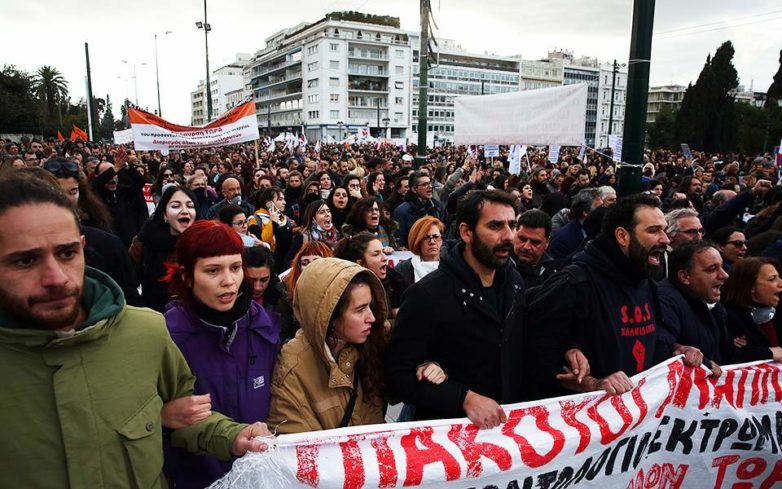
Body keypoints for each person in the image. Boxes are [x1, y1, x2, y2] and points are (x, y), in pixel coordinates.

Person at [0, 175, 269, 488]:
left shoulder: (145, 331)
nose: (56, 277)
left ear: (83, 247)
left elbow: (189, 416)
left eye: (66, 253)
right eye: (26, 260)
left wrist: (234, 435)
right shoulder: (172, 325)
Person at [527, 194, 693, 398]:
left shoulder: (646, 283)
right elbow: (535, 353)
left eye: (664, 231)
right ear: (623, 236)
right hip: (587, 421)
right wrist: (593, 383)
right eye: (653, 231)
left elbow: (651, 341)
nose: (665, 240)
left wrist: (676, 350)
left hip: (636, 418)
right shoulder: (574, 283)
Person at [385, 189, 526, 428]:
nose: (509, 236)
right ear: (466, 232)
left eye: (512, 225)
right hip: (448, 440)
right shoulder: (427, 295)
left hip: (505, 435)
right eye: (495, 226)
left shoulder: (514, 283)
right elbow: (397, 377)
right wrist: (463, 397)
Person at [162, 220, 280, 488]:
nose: (229, 281)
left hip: (259, 475)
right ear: (186, 276)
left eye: (236, 268)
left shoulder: (265, 327)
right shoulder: (166, 337)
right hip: (195, 478)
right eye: (213, 270)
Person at [267, 258, 388, 433]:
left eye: (370, 306)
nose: (371, 317)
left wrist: (425, 364)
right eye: (360, 310)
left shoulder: (369, 347)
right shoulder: (293, 370)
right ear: (329, 317)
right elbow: (298, 447)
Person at [657, 240, 728, 375]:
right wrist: (703, 363)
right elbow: (662, 351)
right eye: (712, 269)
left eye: (722, 267)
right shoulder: (666, 300)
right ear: (684, 276)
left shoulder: (707, 300)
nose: (724, 275)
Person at [130, 185, 197, 312]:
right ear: (164, 214)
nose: (184, 211)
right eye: (176, 206)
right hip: (155, 317)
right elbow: (128, 282)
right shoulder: (145, 240)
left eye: (190, 206)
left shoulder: (207, 243)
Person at [334, 232, 407, 326]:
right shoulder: (347, 291)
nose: (385, 258)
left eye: (383, 252)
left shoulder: (391, 281)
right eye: (376, 254)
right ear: (360, 263)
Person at [723, 257, 782, 363]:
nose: (780, 283)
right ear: (751, 287)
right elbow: (731, 354)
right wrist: (769, 352)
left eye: (778, 277)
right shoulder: (728, 317)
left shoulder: (775, 310)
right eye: (772, 279)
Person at [91, 147, 148, 247]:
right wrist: (115, 168)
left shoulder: (122, 191)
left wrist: (125, 166)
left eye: (115, 174)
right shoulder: (95, 194)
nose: (112, 178)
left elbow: (140, 181)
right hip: (107, 245)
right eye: (109, 174)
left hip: (128, 245)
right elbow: (95, 185)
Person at [279, 241, 335, 342]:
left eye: (316, 262)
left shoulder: (338, 289)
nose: (310, 267)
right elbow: (283, 332)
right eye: (305, 263)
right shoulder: (286, 292)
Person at [393, 171, 445, 249]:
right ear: (414, 189)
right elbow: (400, 240)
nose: (430, 186)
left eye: (430, 183)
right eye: (424, 184)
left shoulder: (436, 206)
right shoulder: (402, 211)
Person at [548, 188, 601, 260]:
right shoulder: (561, 239)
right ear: (585, 212)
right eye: (599, 208)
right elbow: (558, 266)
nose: (603, 210)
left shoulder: (601, 229)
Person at [512, 209, 556, 289]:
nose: (526, 247)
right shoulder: (496, 266)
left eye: (535, 242)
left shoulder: (552, 275)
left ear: (546, 243)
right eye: (522, 239)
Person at [395, 216, 445, 285]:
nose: (432, 241)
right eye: (426, 238)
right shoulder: (402, 270)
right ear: (416, 241)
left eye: (436, 236)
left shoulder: (452, 266)